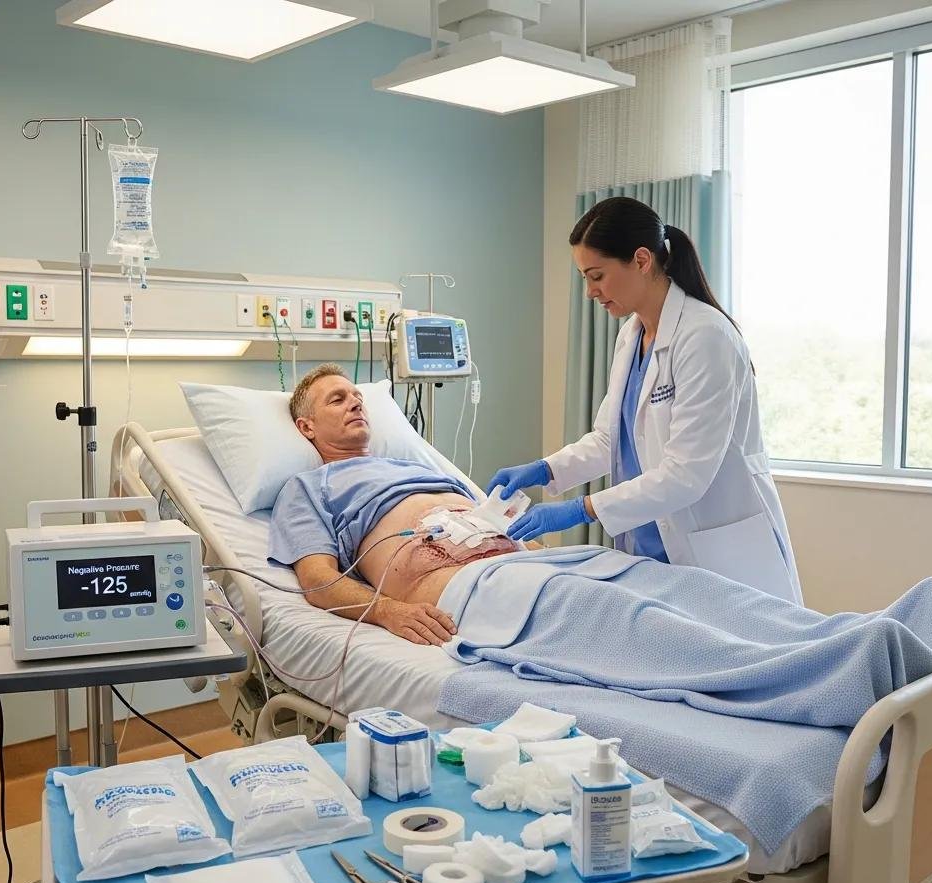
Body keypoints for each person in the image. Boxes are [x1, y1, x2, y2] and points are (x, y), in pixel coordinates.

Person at [491, 196, 802, 604]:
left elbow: (686, 474)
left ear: (641, 260)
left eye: (597, 276)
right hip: (652, 551)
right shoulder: (632, 335)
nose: (590, 292)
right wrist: (545, 468)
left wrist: (582, 509)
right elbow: (611, 439)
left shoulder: (705, 337)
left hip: (716, 553)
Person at [269, 364, 523, 646]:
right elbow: (318, 580)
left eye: (358, 398)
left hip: (523, 562)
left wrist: (544, 551)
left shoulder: (421, 468)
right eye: (338, 400)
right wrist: (386, 610)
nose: (355, 404)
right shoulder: (308, 487)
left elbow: (500, 524)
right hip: (465, 584)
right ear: (307, 427)